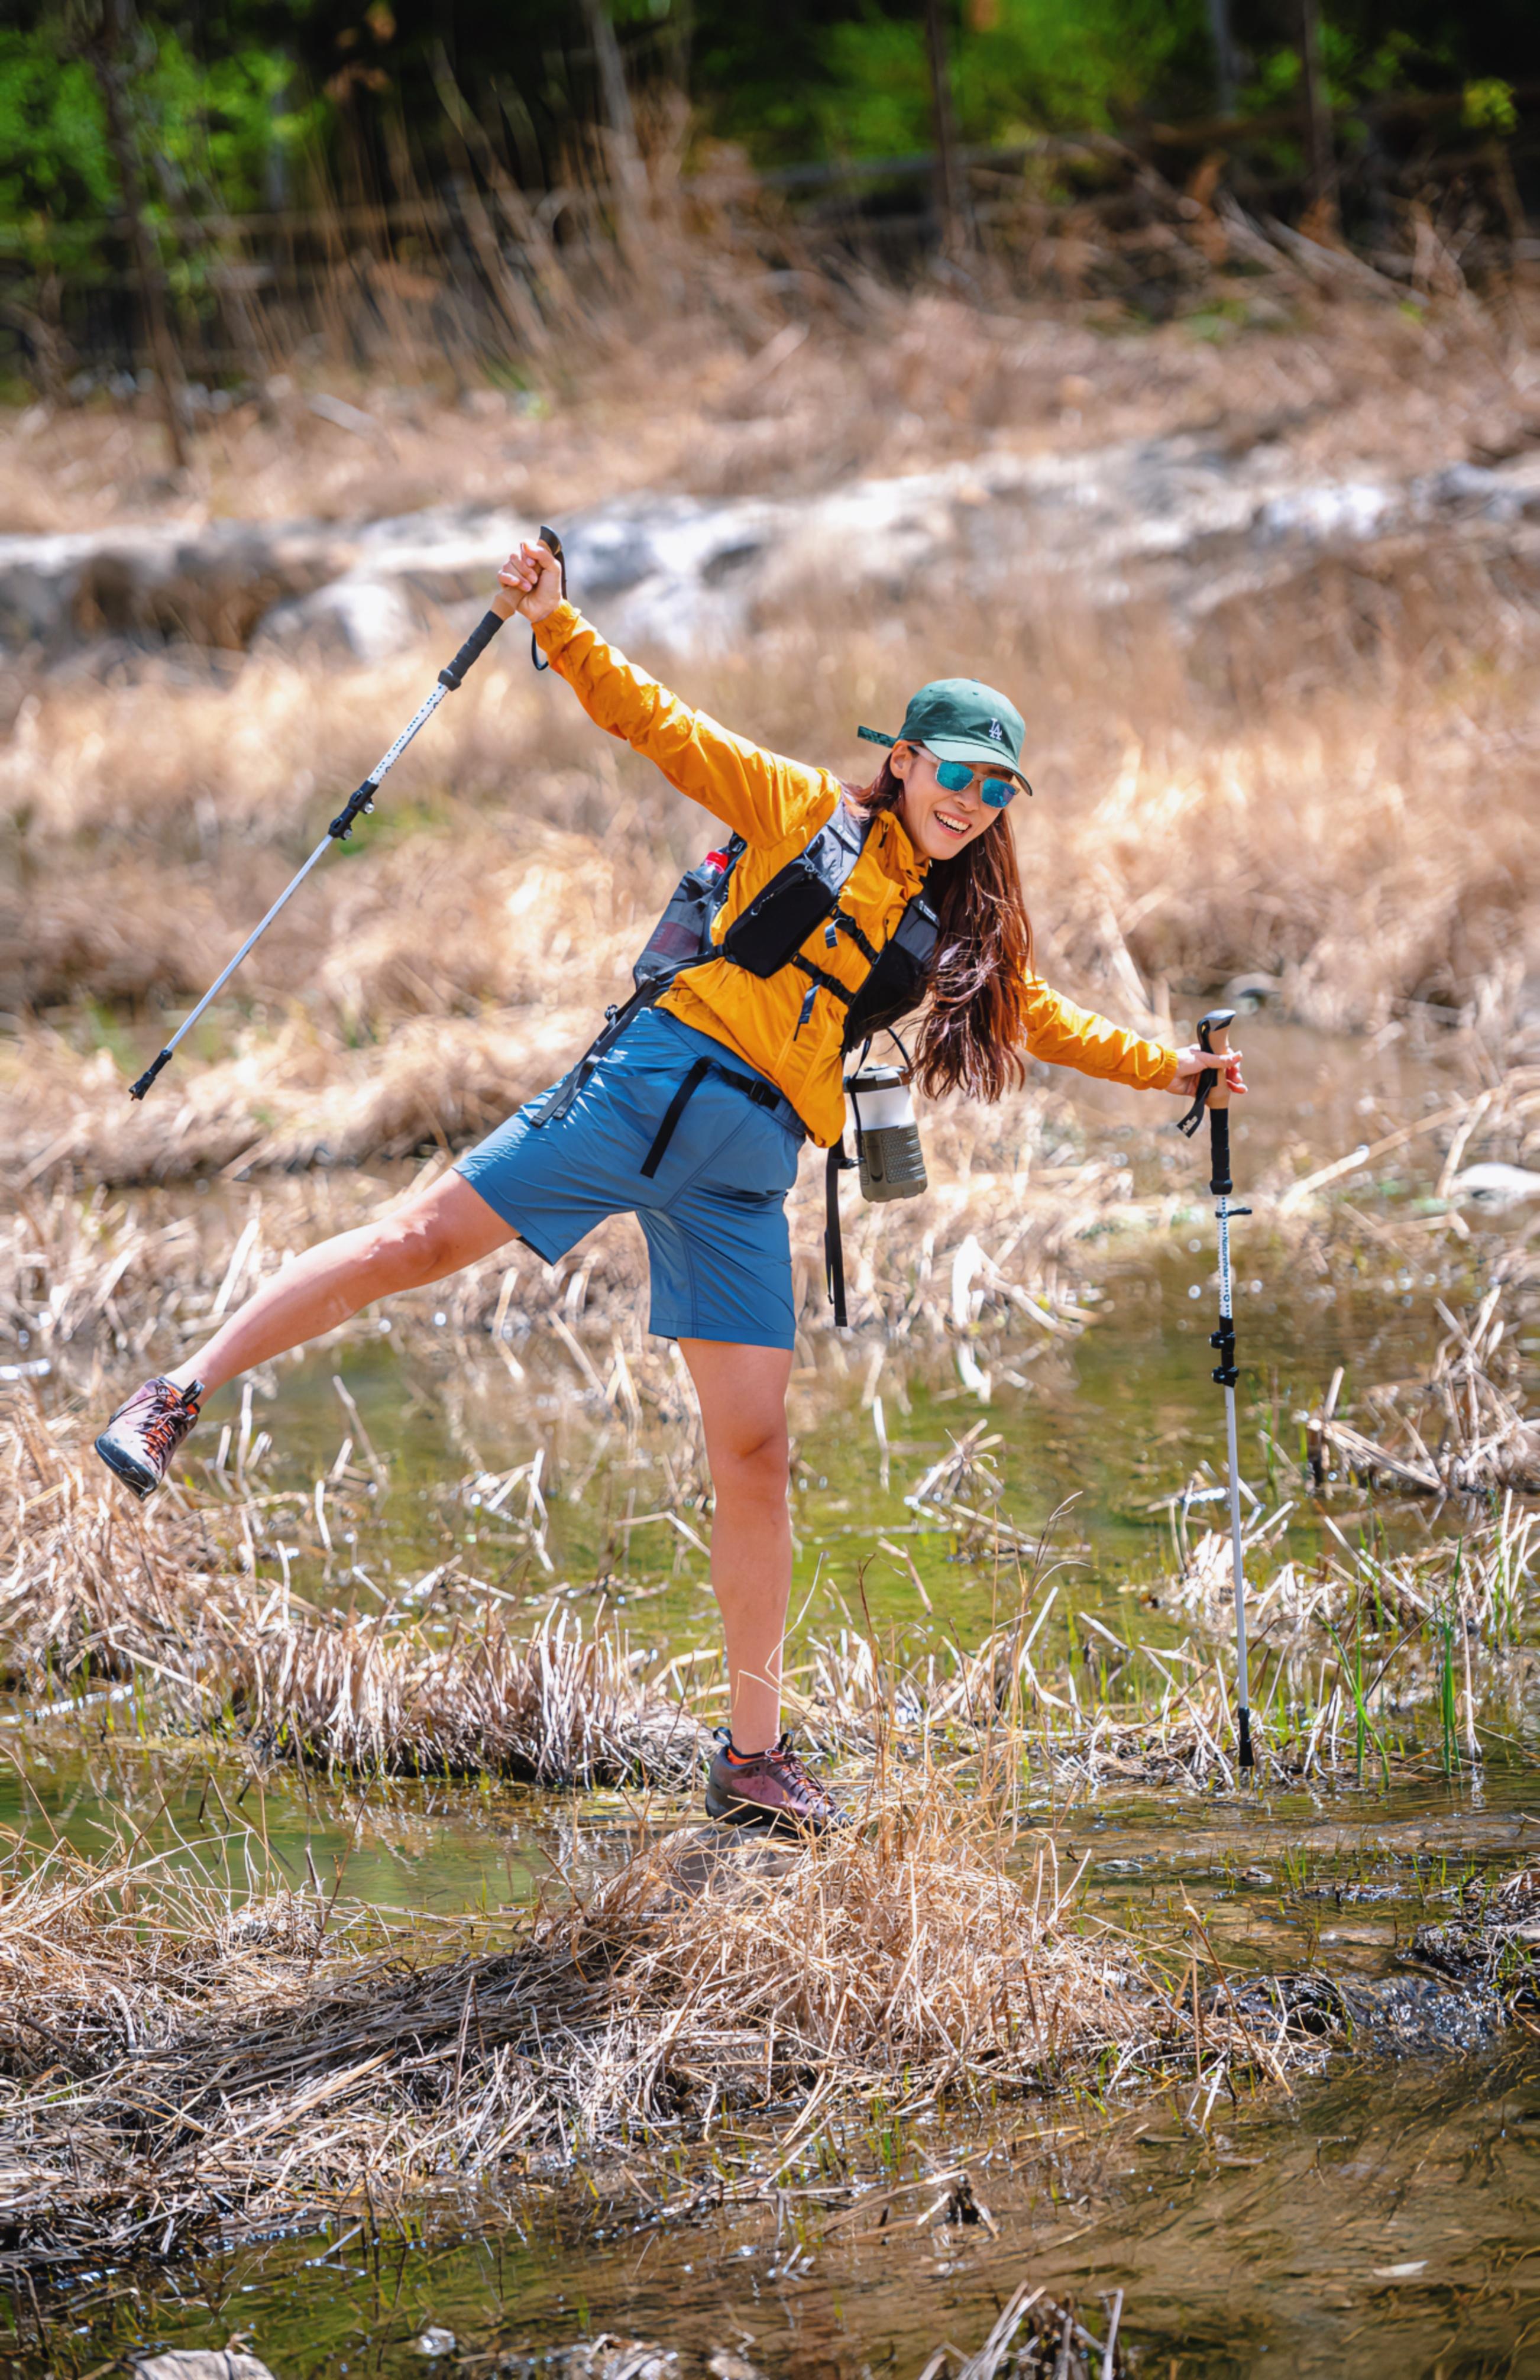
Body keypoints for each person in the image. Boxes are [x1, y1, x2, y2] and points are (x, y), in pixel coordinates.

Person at [95, 537, 1244, 1832]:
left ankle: (752, 1761)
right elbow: (657, 722)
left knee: (757, 1454)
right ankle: (177, 1391)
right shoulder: (800, 805)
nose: (977, 799)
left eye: (1000, 785)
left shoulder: (954, 921)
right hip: (648, 1087)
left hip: (748, 1177)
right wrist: (558, 620)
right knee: (414, 1238)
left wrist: (1176, 1072)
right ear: (906, 759)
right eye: (960, 772)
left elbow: (1037, 1017)